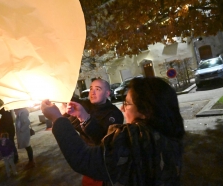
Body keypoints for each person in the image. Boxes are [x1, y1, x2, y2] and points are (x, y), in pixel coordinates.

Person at [41, 77, 185, 185]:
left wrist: (57, 120)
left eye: (127, 103)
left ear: (145, 111)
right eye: (91, 88)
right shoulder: (169, 138)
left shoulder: (136, 137)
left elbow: (85, 159)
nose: (123, 108)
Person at [64, 78, 124, 185]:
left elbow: (103, 139)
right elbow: (68, 100)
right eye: (91, 88)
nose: (92, 92)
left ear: (107, 93)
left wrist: (84, 118)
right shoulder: (85, 105)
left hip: (103, 162)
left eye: (98, 89)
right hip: (87, 156)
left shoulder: (114, 113)